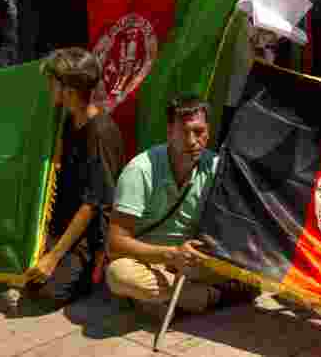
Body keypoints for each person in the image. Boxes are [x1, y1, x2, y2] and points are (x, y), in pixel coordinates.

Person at [106, 96, 256, 317]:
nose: (192, 141)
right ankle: (209, 297)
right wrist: (171, 254)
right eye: (183, 132)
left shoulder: (216, 168)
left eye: (199, 131)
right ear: (169, 132)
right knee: (119, 275)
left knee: (251, 273)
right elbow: (116, 244)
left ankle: (162, 300)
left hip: (189, 263)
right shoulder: (141, 170)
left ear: (209, 131)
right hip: (145, 259)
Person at [24, 49, 125, 308]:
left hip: (87, 236)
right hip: (61, 222)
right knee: (24, 270)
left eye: (53, 83)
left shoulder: (101, 133)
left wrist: (53, 257)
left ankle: (90, 274)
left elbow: (94, 203)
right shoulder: (67, 121)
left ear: (68, 90)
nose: (49, 87)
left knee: (46, 293)